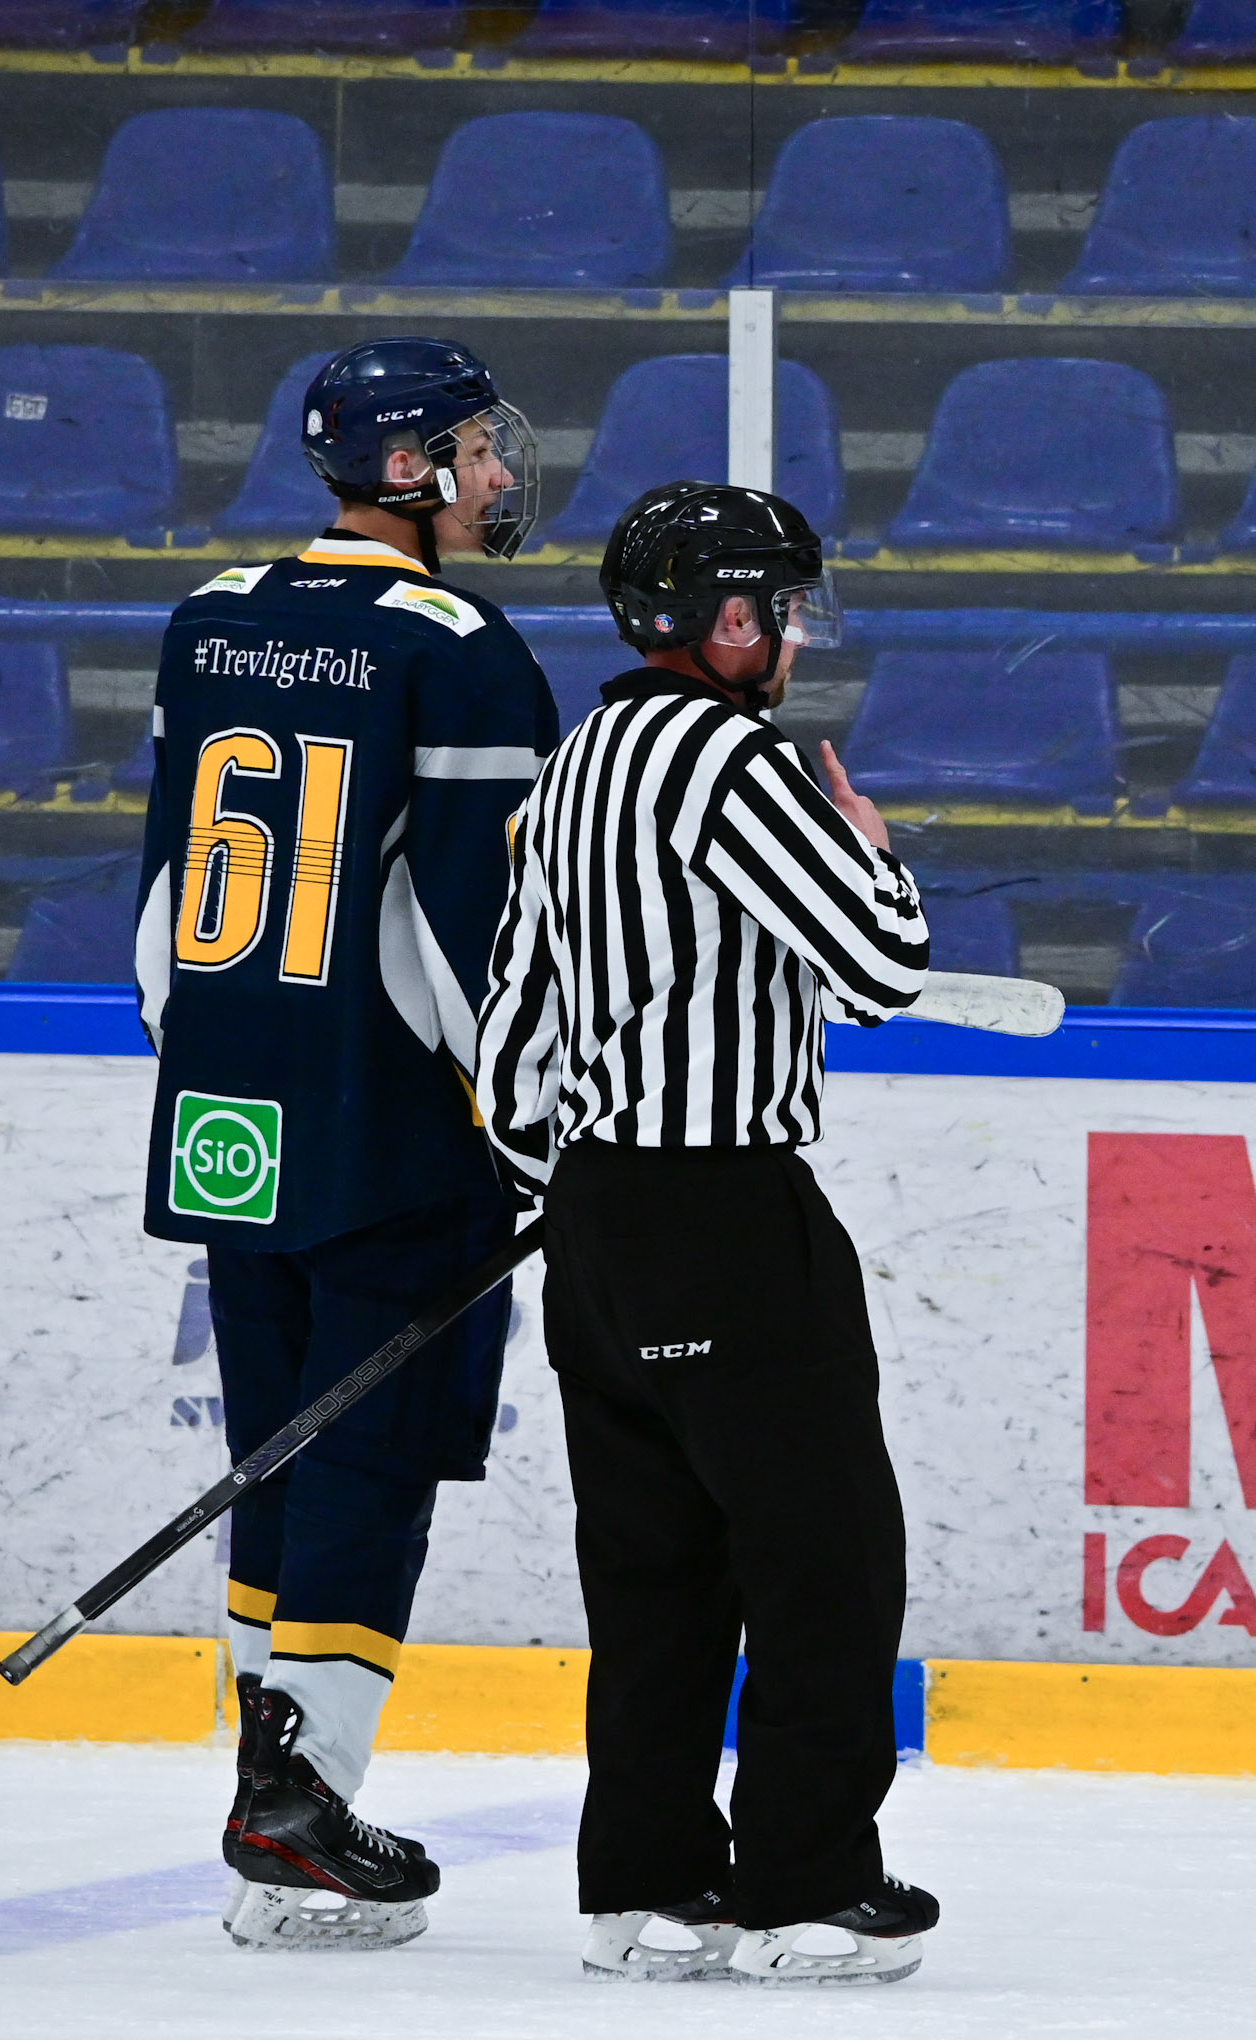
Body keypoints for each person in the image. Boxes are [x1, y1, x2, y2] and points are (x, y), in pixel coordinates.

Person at [475, 480, 938, 1987]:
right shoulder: (732, 763)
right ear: (728, 619)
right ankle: (805, 1890)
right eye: (783, 608)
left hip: (599, 1221)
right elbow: (878, 969)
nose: (795, 636)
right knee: (824, 1561)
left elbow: (512, 1040)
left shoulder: (575, 762)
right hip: (729, 1215)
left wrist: (576, 1193)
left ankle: (645, 1887)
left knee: (653, 1577)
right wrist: (868, 847)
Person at [135, 338, 558, 1951]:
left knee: (274, 1450)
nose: (499, 475)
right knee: (367, 1460)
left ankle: (269, 1778)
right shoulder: (457, 649)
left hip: (228, 1114)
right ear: (405, 470)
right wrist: (529, 1126)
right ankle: (298, 1801)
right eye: (476, 449)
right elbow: (463, 938)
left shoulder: (213, 617)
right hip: (389, 1124)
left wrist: (216, 1059)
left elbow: (164, 908)